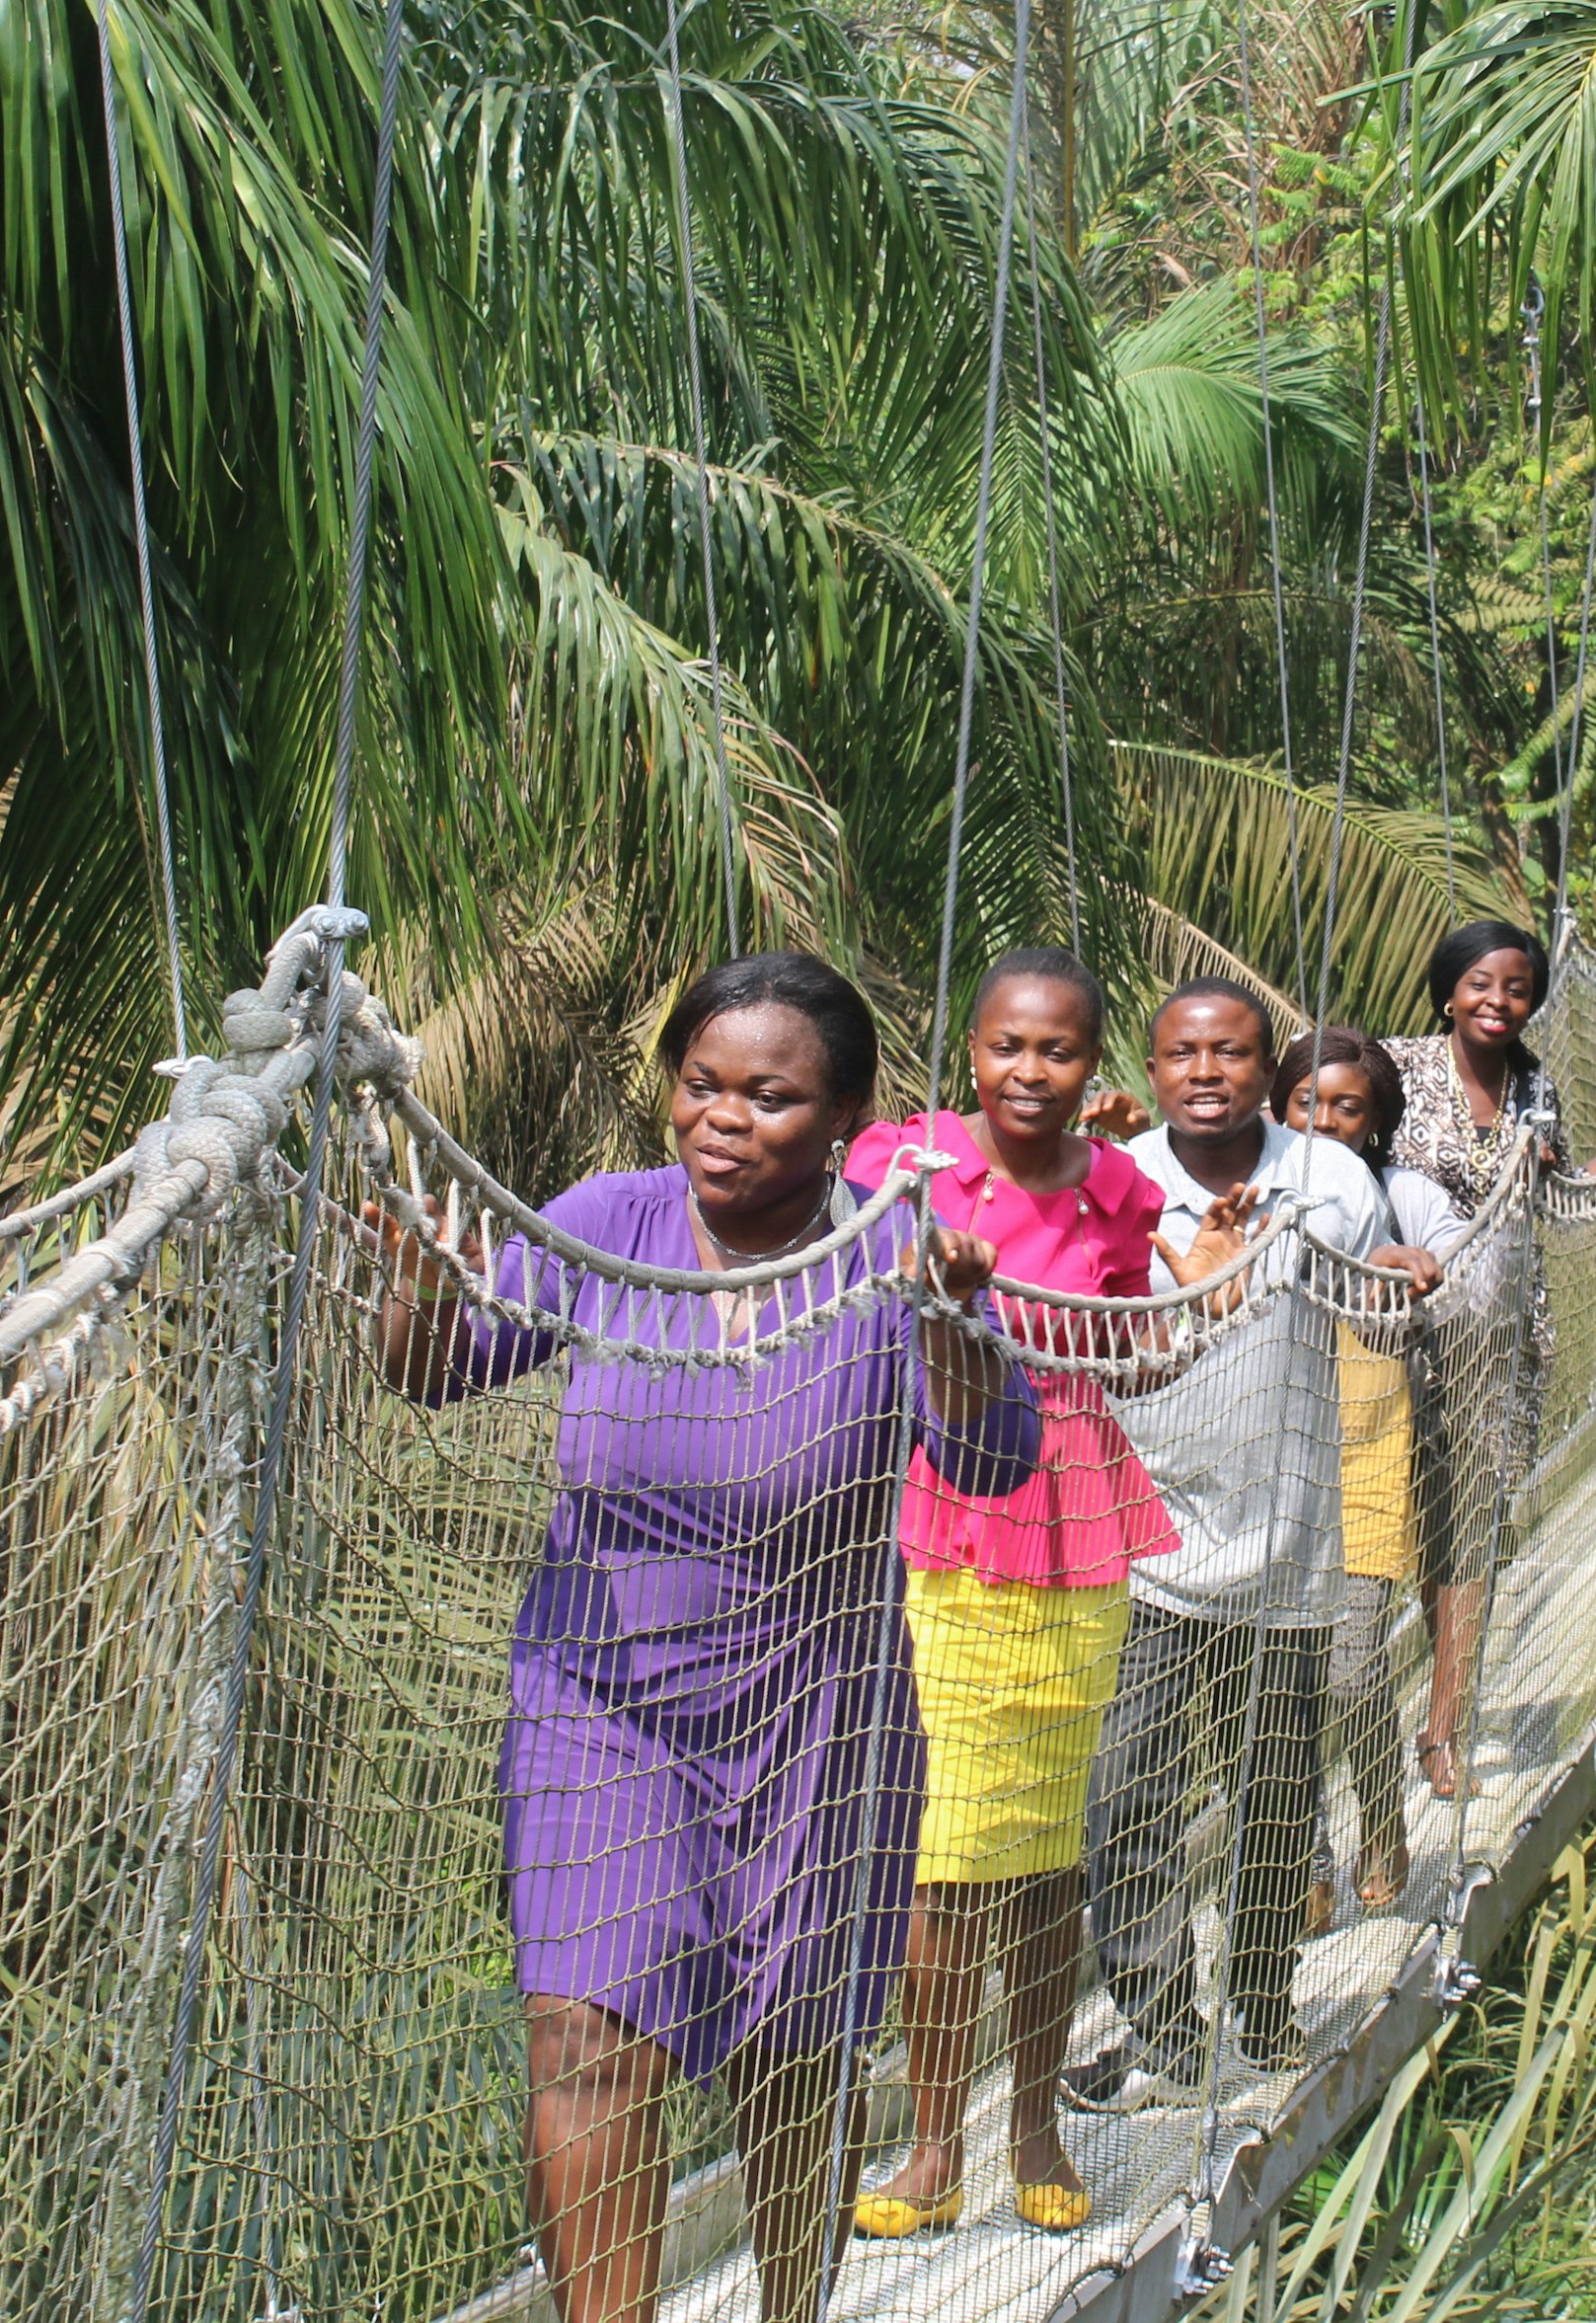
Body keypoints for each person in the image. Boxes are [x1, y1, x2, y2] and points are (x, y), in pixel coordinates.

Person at [366, 953, 1030, 2323]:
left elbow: (995, 1460)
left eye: (769, 1097)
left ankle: (794, 2304)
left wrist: (956, 1322)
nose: (722, 1117)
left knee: (793, 2060)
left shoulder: (892, 1256)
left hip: (818, 1710)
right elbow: (433, 1372)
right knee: (586, 2040)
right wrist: (423, 1283)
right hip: (599, 1703)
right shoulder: (607, 1221)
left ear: (846, 1116)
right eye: (701, 1084)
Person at [840, 947, 1171, 2243]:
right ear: (970, 1051)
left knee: (1043, 1854)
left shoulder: (1118, 1192)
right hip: (940, 1520)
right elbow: (839, 1286)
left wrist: (1199, 1299)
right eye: (1007, 1047)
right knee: (946, 1858)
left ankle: (1033, 2127)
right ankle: (935, 2147)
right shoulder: (906, 1166)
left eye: (1060, 1050)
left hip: (1075, 1521)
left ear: (1097, 1065)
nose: (1030, 1072)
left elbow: (1133, 1358)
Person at [1062, 978, 1393, 2111]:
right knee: (1129, 1796)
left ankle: (1260, 2014)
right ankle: (1160, 2040)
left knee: (1276, 1797)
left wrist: (1408, 1273)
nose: (1207, 1072)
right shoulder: (1110, 1181)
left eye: (1233, 1053)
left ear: (1269, 1071)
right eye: (1182, 1054)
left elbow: (1383, 1306)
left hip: (1291, 1543)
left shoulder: (1332, 1180)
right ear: (1150, 1072)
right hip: (1148, 1544)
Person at [1269, 1027, 1459, 1923]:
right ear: (1282, 1106)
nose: (1329, 1121)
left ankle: (1381, 1821)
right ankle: (1305, 1859)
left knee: (1347, 1671)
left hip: (1372, 1454)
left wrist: (1395, 1275)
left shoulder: (1395, 1202)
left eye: (1350, 1107)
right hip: (1274, 1460)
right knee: (1277, 1678)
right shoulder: (1259, 1196)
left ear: (1378, 1117)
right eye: (1310, 1102)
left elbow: (1410, 1321)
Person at [1379, 920, 1563, 1801]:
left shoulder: (1536, 1087)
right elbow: (1316, 1130)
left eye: (1517, 989)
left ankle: (1441, 1726)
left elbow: (1566, 1191)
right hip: (1390, 1329)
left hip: (1495, 1339)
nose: (1499, 1002)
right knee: (1407, 1516)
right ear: (1449, 990)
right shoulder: (1395, 1068)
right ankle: (1392, 1722)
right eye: (1482, 985)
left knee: (1470, 1523)